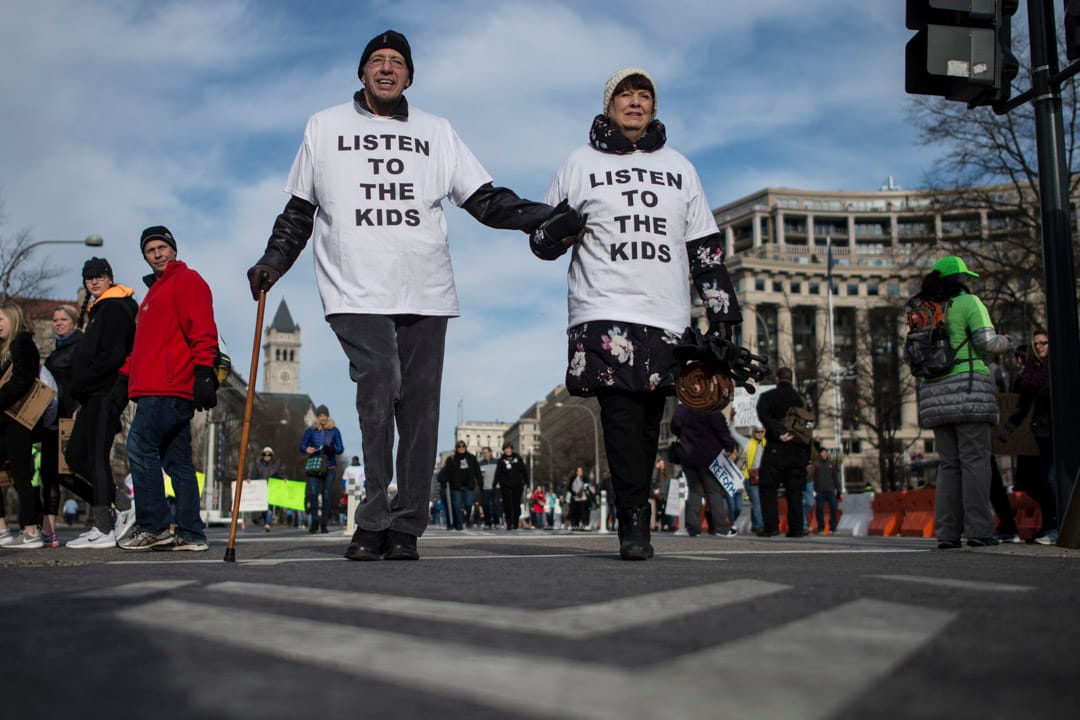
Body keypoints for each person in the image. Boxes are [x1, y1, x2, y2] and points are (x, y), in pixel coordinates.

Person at [246, 29, 582, 562]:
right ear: (361, 73)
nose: (386, 68)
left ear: (409, 76)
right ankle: (373, 518)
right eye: (376, 61)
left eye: (396, 62)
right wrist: (273, 261)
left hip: (426, 289)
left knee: (420, 408)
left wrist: (546, 217)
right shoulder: (325, 126)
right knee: (379, 389)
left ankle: (408, 525)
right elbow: (298, 212)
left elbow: (486, 200)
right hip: (354, 288)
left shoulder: (437, 131)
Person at [534, 67, 743, 560]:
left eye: (643, 95)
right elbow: (540, 241)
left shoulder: (681, 168)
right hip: (602, 308)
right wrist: (560, 226)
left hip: (666, 316)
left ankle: (635, 510)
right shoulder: (578, 164)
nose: (634, 102)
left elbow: (705, 248)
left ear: (653, 106)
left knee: (651, 422)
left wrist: (723, 314)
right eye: (624, 94)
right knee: (620, 415)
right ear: (609, 106)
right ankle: (634, 522)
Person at [117, 226, 221, 552]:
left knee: (139, 446)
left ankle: (155, 525)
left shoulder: (187, 280)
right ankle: (190, 532)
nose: (158, 253)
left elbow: (202, 327)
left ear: (173, 250)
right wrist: (124, 377)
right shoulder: (152, 294)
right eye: (151, 250)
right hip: (152, 385)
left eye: (162, 247)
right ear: (145, 257)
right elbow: (144, 347)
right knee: (177, 463)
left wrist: (205, 371)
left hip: (169, 385)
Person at [915, 256, 1011, 550]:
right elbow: (986, 342)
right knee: (975, 462)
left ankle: (947, 533)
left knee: (949, 466)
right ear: (959, 280)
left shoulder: (925, 309)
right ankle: (979, 530)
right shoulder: (970, 303)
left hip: (933, 393)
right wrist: (1008, 341)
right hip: (968, 389)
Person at [64, 258, 139, 549]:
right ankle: (122, 505)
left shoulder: (115, 306)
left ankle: (104, 527)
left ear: (109, 277)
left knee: (96, 457)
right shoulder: (99, 309)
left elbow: (116, 353)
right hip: (91, 394)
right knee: (75, 457)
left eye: (99, 276)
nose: (94, 281)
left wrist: (87, 381)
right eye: (89, 278)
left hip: (104, 392)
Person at [0, 303, 46, 548]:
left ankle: (31, 531)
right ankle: (3, 528)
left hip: (18, 419)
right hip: (5, 419)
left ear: (13, 319)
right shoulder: (5, 347)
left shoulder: (22, 343)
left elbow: (22, 380)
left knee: (20, 475)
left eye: (1, 319)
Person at [1004, 328, 1055, 544]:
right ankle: (1052, 526)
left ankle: (1054, 526)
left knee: (1053, 480)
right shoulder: (1030, 375)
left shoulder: (1059, 368)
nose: (1041, 347)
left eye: (1044, 342)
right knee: (1045, 482)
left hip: (1061, 433)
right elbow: (1022, 406)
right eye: (1037, 344)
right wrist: (1009, 427)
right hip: (1042, 433)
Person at [38, 304, 83, 547]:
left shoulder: (77, 346)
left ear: (74, 322)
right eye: (55, 319)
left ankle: (108, 503)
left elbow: (80, 378)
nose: (57, 323)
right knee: (49, 475)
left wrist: (79, 407)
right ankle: (49, 529)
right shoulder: (58, 349)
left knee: (66, 474)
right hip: (50, 418)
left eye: (63, 319)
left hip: (67, 417)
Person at [756, 368, 812, 538]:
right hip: (798, 450)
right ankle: (796, 528)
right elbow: (809, 426)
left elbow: (764, 417)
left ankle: (771, 527)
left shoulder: (768, 397)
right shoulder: (802, 400)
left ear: (777, 379)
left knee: (768, 489)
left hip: (776, 449)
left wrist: (777, 434)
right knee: (795, 491)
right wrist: (807, 454)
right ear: (792, 379)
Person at [670, 401, 737, 537]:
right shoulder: (710, 408)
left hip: (688, 455)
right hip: (709, 455)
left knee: (695, 491)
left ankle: (693, 527)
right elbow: (721, 429)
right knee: (713, 492)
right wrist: (729, 446)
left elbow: (675, 427)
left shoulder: (683, 409)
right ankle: (721, 528)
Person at [300, 404, 344, 534]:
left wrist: (333, 449)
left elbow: (341, 449)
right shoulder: (311, 430)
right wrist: (306, 449)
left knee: (326, 494)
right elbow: (302, 445)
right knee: (313, 494)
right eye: (320, 415)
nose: (323, 418)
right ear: (317, 417)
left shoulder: (334, 431)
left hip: (329, 466)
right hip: (315, 466)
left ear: (328, 416)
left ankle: (324, 522)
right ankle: (314, 521)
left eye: (325, 415)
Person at [441, 441, 480, 531]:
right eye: (459, 447)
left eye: (463, 446)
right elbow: (447, 472)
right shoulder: (452, 459)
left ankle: (467, 519)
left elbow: (477, 471)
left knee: (469, 504)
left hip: (469, 486)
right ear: (456, 448)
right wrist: (444, 480)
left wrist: (479, 481)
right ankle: (459, 524)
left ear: (465, 447)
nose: (461, 448)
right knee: (457, 506)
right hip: (456, 487)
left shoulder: (471, 458)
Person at [493, 441, 528, 531]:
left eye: (509, 448)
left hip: (517, 484)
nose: (507, 450)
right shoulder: (501, 460)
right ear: (504, 450)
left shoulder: (517, 458)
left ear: (511, 449)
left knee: (516, 504)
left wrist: (527, 482)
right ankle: (509, 523)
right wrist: (495, 483)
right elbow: (498, 473)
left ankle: (515, 522)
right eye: (506, 449)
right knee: (507, 504)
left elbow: (523, 471)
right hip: (505, 485)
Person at [740, 426, 766, 535]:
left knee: (760, 502)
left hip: (764, 476)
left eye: (762, 432)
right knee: (757, 502)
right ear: (754, 433)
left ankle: (756, 524)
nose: (760, 434)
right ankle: (759, 526)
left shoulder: (766, 443)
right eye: (758, 432)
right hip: (751, 476)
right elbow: (743, 460)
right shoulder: (748, 443)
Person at [810, 447, 842, 534]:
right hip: (819, 491)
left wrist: (838, 490)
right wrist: (813, 490)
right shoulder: (816, 465)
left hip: (830, 490)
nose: (824, 454)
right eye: (822, 453)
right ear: (819, 454)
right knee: (820, 509)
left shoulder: (831, 464)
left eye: (825, 453)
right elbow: (812, 477)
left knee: (834, 507)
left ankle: (833, 528)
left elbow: (835, 478)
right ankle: (821, 528)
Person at [253, 446, 281, 532]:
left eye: (269, 454)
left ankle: (268, 523)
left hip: (272, 489)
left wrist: (284, 479)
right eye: (265, 454)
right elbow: (254, 476)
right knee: (263, 507)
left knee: (269, 507)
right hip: (261, 489)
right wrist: (250, 481)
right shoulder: (258, 466)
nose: (267, 456)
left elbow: (280, 475)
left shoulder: (275, 466)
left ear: (272, 455)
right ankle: (265, 521)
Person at [477, 446, 499, 529]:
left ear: (490, 453)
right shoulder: (480, 463)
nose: (485, 454)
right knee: (485, 505)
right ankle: (488, 523)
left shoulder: (497, 462)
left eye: (486, 453)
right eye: (483, 453)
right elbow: (478, 476)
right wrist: (480, 478)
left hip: (496, 487)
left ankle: (496, 522)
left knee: (496, 504)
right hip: (485, 488)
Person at [341, 455, 366, 527]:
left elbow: (364, 480)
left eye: (355, 460)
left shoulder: (362, 469)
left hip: (359, 491)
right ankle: (348, 522)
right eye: (353, 460)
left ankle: (358, 521)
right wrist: (343, 488)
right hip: (349, 491)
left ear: (357, 461)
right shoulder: (348, 469)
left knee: (358, 506)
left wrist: (364, 488)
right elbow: (344, 479)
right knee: (348, 507)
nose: (353, 461)